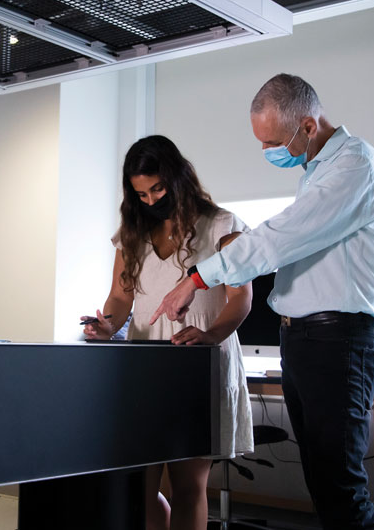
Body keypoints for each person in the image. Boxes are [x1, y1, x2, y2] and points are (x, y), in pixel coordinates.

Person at [152, 74, 374, 530]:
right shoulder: (317, 173)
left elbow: (284, 237)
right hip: (306, 339)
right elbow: (296, 244)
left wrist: (199, 276)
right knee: (324, 482)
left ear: (307, 125)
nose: (268, 152)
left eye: (273, 141)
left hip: (337, 338)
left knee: (340, 485)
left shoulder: (354, 165)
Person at [82, 135, 254, 530]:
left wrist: (211, 335)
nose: (150, 200)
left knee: (187, 487)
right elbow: (119, 298)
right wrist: (108, 324)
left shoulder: (222, 226)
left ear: (178, 177)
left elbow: (241, 298)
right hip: (142, 370)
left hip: (198, 366)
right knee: (137, 486)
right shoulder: (133, 233)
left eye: (157, 188)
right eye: (140, 194)